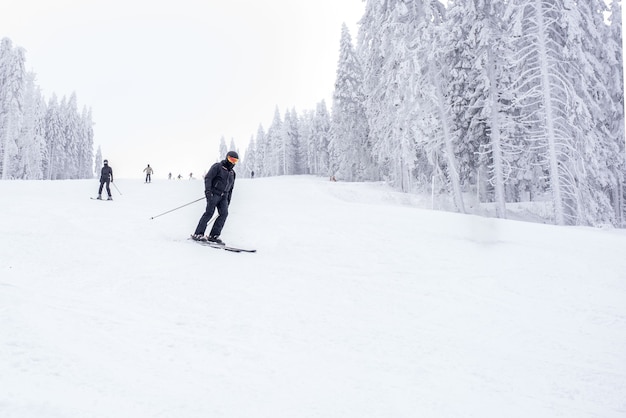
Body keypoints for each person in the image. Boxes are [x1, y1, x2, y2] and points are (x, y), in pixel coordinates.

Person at [191, 151, 238, 244]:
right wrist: (208, 192)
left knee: (224, 214)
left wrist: (228, 200)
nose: (232, 162)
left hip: (224, 196)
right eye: (231, 159)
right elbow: (208, 178)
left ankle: (214, 235)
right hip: (214, 194)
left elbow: (231, 188)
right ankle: (198, 234)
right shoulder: (218, 167)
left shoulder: (232, 173)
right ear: (226, 158)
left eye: (235, 161)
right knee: (209, 213)